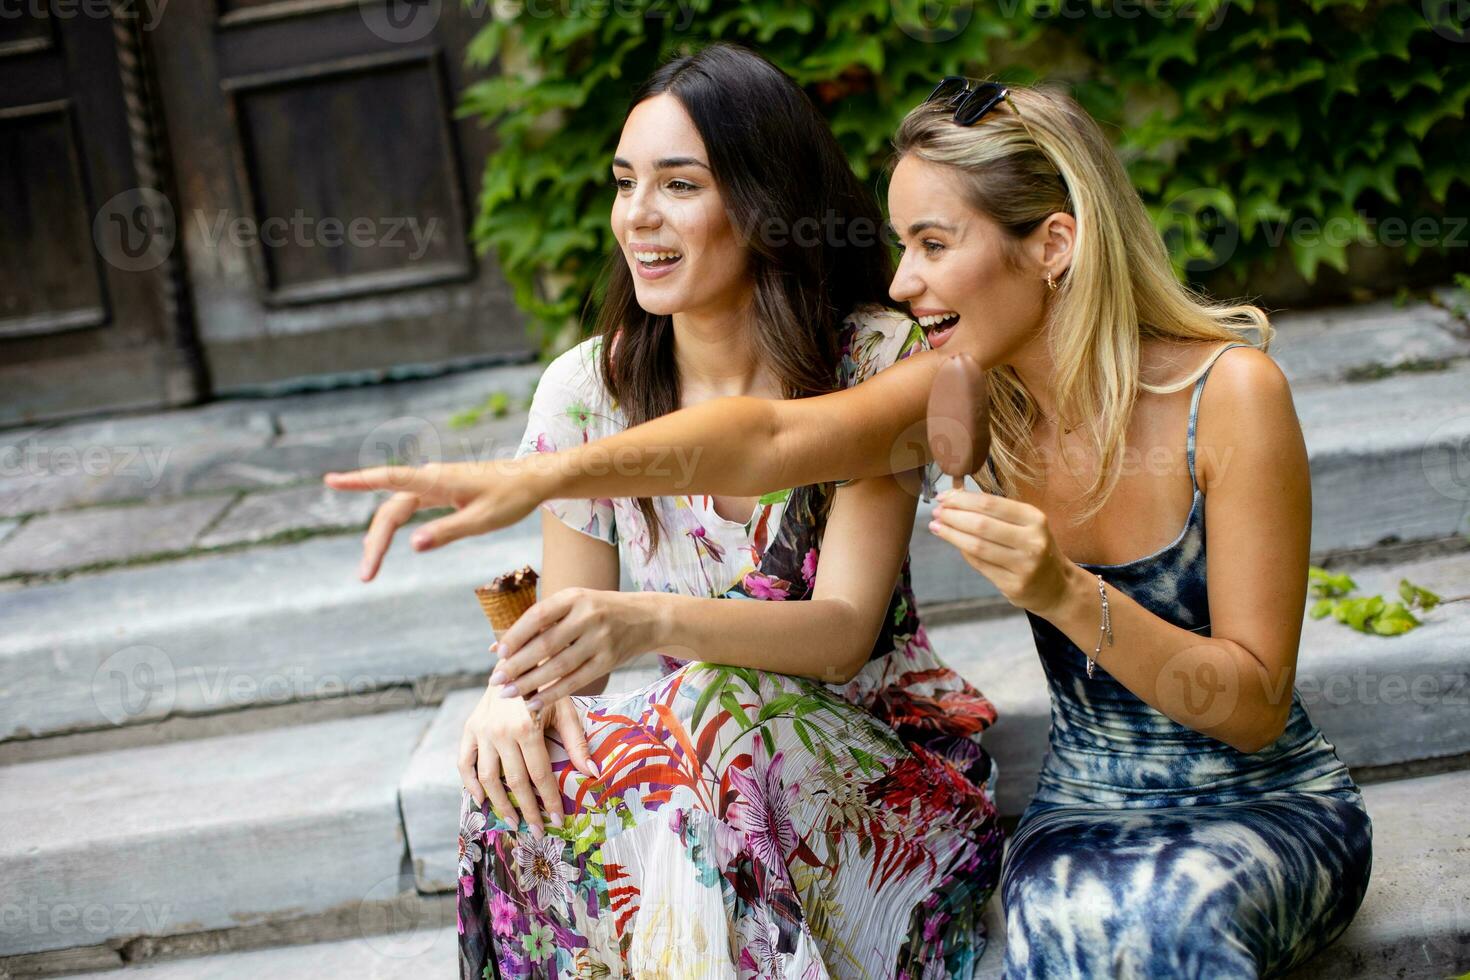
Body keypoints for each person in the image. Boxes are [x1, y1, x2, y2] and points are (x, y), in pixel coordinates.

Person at [328, 76, 1373, 978]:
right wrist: (541, 479)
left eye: (931, 244)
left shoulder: (1228, 393)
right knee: (1073, 924)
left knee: (1148, 930)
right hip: (1085, 805)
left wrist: (1064, 592)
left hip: (1261, 793)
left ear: (1053, 244)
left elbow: (1248, 707)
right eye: (903, 243)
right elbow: (773, 439)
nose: (904, 280)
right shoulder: (970, 392)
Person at [336, 46, 1004, 978]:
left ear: (763, 202)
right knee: (523, 775)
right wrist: (508, 699)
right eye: (623, 183)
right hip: (701, 777)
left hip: (882, 777)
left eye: (679, 185)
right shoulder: (587, 391)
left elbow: (844, 636)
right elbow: (569, 660)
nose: (637, 217)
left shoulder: (874, 357)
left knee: (710, 701)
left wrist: (646, 621)